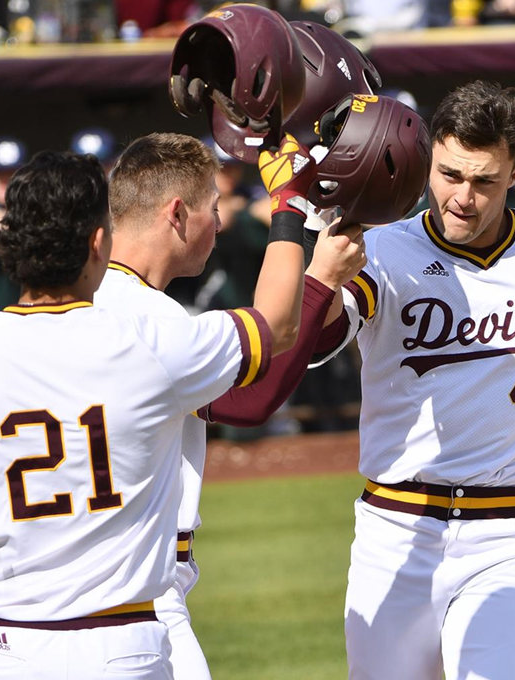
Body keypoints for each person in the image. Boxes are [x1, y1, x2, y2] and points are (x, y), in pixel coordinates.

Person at [0, 137, 317, 679]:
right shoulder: (149, 341)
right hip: (120, 644)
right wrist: (290, 204)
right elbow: (275, 325)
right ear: (97, 241)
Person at [310, 80, 515, 679]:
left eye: (483, 181)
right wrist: (325, 262)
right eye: (450, 174)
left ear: (514, 173)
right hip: (394, 531)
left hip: (507, 536)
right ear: (429, 160)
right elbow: (319, 341)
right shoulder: (382, 250)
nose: (462, 196)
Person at [95, 131, 365, 678]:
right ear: (177, 214)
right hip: (134, 589)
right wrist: (317, 273)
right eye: (211, 208)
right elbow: (251, 398)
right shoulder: (154, 319)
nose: (217, 224)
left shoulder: (80, 301)